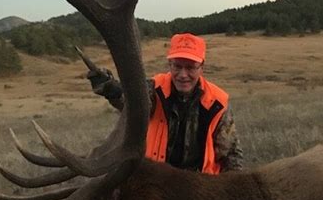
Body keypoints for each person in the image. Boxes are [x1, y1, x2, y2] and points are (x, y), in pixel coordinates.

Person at [87, 33, 243, 174]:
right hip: (155, 179)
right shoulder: (155, 89)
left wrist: (233, 191)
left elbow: (230, 155)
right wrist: (111, 89)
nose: (183, 75)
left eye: (190, 68)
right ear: (170, 64)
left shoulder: (217, 103)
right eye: (177, 66)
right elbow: (133, 102)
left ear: (202, 67)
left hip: (201, 185)